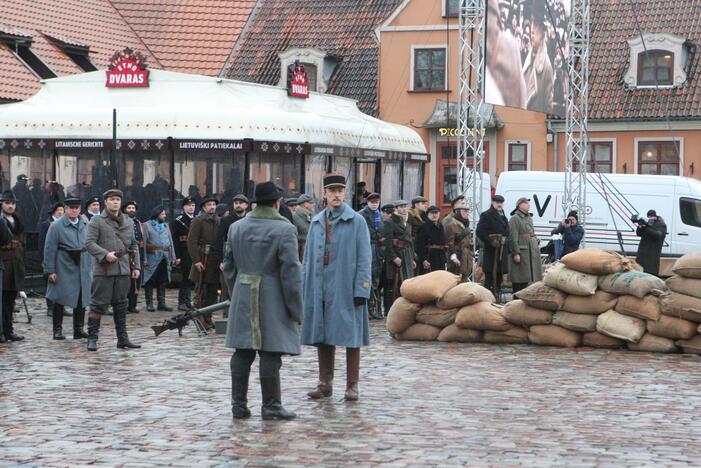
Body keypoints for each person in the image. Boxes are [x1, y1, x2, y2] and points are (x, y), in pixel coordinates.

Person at [223, 181, 302, 421]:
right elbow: (291, 272)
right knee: (270, 352)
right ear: (277, 203)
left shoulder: (236, 227)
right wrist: (296, 309)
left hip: (243, 291)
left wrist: (235, 292)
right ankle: (271, 405)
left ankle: (239, 405)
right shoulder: (285, 230)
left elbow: (228, 267)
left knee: (242, 351)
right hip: (272, 295)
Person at [301, 173, 372, 402]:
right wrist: (306, 287)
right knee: (323, 334)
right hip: (320, 286)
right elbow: (308, 258)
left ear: (346, 192)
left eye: (340, 190)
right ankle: (325, 382)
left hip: (345, 286)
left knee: (351, 335)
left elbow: (364, 258)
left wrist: (362, 288)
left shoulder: (357, 221)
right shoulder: (316, 221)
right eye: (332, 191)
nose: (336, 194)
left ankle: (352, 385)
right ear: (325, 193)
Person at [84, 189, 141, 351]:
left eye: (118, 199)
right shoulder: (97, 221)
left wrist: (135, 266)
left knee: (121, 305)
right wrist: (104, 254)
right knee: (97, 305)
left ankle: (122, 339)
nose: (115, 202)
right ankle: (92, 338)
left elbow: (133, 244)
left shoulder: (128, 221)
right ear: (106, 202)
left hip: (123, 269)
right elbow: (89, 243)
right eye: (112, 199)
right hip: (104, 269)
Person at [43, 197, 91, 340]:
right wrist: (50, 270)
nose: (74, 210)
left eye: (77, 207)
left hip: (82, 263)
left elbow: (90, 243)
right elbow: (49, 248)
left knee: (81, 298)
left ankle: (79, 329)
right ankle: (57, 329)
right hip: (63, 264)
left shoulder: (85, 223)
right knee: (59, 297)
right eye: (71, 208)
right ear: (65, 209)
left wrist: (91, 266)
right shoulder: (56, 226)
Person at [187, 196, 220, 329]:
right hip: (203, 258)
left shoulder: (218, 221)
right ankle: (200, 318)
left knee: (213, 291)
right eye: (209, 204)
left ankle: (208, 318)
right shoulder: (198, 221)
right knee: (201, 291)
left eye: (214, 204)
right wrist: (196, 260)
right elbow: (191, 241)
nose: (212, 207)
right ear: (204, 207)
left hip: (214, 260)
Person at [382, 199, 415, 311]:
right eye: (401, 207)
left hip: (407, 255)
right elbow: (387, 243)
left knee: (407, 283)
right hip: (396, 256)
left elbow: (410, 242)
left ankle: (403, 309)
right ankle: (389, 309)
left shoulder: (408, 221)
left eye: (405, 206)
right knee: (393, 284)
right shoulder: (390, 222)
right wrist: (394, 257)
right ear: (396, 209)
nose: (404, 208)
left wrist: (413, 258)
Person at [215, 194, 249, 302]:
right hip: (230, 257)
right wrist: (221, 260)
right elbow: (219, 241)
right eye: (236, 203)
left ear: (246, 205)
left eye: (240, 203)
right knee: (227, 288)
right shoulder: (226, 221)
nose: (238, 205)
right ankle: (226, 315)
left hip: (246, 258)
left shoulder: (251, 220)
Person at [142, 206, 177, 312]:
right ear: (157, 214)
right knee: (150, 280)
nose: (165, 215)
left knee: (163, 280)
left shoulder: (166, 226)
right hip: (152, 257)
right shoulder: (147, 225)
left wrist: (173, 257)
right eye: (163, 214)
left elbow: (171, 242)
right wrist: (144, 258)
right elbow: (143, 244)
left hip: (165, 257)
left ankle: (161, 303)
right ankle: (149, 303)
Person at [522, 1, 554, 114]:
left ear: (543, 33)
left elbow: (548, 107)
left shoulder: (546, 66)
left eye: (534, 32)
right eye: (531, 33)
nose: (532, 34)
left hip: (535, 123)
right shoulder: (527, 58)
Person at [476, 195, 509, 297]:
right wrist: (491, 241)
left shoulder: (503, 215)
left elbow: (507, 231)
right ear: (492, 202)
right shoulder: (486, 215)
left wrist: (504, 238)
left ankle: (497, 294)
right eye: (497, 202)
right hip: (491, 252)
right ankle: (489, 297)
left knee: (499, 276)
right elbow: (480, 231)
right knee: (490, 277)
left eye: (501, 202)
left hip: (501, 251)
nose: (499, 204)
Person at [0, 191, 23, 342]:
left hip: (16, 264)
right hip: (4, 263)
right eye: (7, 203)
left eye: (13, 203)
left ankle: (9, 330)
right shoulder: (1, 220)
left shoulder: (18, 220)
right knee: (2, 300)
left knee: (10, 300)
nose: (10, 206)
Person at [508, 197, 543, 293]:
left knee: (526, 278)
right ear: (520, 205)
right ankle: (516, 299)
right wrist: (516, 253)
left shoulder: (528, 217)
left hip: (530, 251)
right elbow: (512, 237)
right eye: (526, 203)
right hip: (522, 251)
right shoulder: (515, 218)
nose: (528, 205)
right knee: (519, 279)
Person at [358, 193, 383, 319]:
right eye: (372, 202)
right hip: (368, 247)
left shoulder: (378, 214)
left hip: (377, 249)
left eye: (376, 202)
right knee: (367, 278)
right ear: (368, 202)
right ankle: (368, 308)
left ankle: (374, 308)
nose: (374, 204)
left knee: (376, 278)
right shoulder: (362, 215)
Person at [39, 202, 65, 317]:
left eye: (62, 210)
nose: (60, 212)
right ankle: (50, 307)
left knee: (63, 283)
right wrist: (43, 259)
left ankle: (61, 306)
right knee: (50, 283)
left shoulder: (65, 223)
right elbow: (42, 244)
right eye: (58, 210)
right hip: (49, 256)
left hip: (62, 258)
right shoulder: (46, 224)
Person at [172, 197, 196, 311]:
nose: (191, 207)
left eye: (193, 205)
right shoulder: (179, 220)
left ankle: (188, 301)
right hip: (184, 251)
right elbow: (175, 240)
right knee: (186, 277)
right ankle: (182, 302)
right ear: (184, 207)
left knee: (192, 278)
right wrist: (177, 256)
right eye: (189, 205)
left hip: (194, 251)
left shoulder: (197, 219)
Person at [122, 200, 145, 313]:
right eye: (129, 208)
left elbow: (141, 241)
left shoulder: (138, 223)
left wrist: (143, 257)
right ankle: (124, 305)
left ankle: (133, 305)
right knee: (126, 281)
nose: (131, 210)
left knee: (136, 279)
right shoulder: (122, 221)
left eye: (133, 208)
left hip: (137, 252)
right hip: (126, 253)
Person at [445, 202, 474, 282]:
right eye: (464, 211)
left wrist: (472, 254)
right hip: (458, 257)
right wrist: (453, 256)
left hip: (466, 257)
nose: (467, 213)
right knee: (454, 279)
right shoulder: (451, 225)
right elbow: (450, 243)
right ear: (458, 212)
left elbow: (469, 242)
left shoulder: (466, 225)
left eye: (467, 211)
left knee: (464, 279)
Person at [415, 205, 447, 274]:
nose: (434, 215)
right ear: (428, 214)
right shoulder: (423, 227)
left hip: (440, 257)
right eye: (432, 213)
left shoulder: (440, 226)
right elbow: (419, 245)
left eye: (436, 213)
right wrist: (423, 259)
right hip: (429, 257)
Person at [635, 209, 667, 276]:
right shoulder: (647, 223)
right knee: (639, 270)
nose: (650, 219)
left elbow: (658, 235)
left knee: (650, 271)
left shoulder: (661, 224)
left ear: (655, 216)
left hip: (652, 253)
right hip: (643, 252)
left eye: (651, 217)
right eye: (648, 217)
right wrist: (640, 226)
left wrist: (646, 228)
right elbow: (639, 233)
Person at [293, 194, 313, 261]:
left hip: (307, 249)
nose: (314, 205)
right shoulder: (295, 217)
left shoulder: (308, 215)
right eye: (311, 203)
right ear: (306, 204)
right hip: (301, 251)